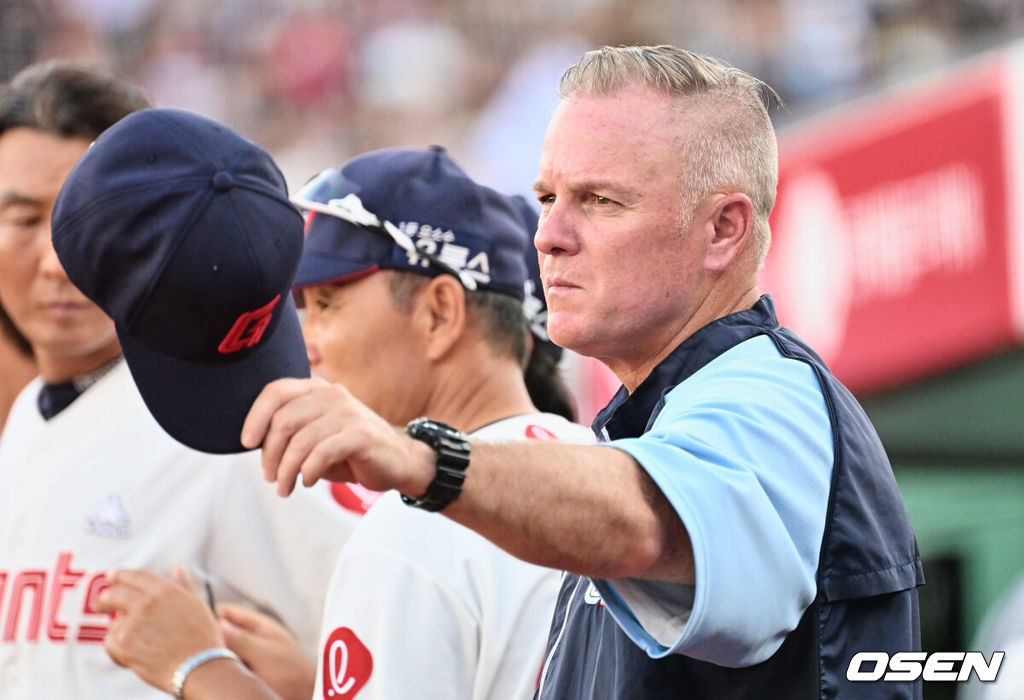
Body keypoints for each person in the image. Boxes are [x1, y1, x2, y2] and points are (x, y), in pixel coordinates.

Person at [116, 44, 922, 699]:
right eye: (545, 199)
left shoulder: (766, 394)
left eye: (601, 202)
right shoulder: (627, 433)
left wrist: (424, 461)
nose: (550, 237)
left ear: (723, 231)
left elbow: (644, 523)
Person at [97, 145, 593, 700]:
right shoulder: (604, 468)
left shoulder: (414, 528)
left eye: (328, 305)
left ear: (440, 313)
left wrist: (202, 669)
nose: (305, 345)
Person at [0, 60, 356, 699]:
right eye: (25, 221)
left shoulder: (229, 422)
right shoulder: (29, 414)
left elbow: (384, 657)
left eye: (83, 223)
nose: (58, 262)